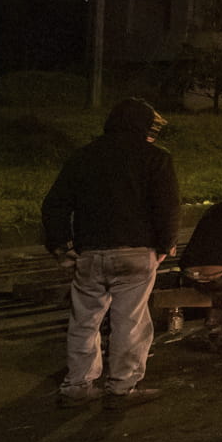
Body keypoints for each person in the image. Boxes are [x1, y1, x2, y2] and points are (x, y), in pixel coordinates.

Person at [41, 97, 178, 409]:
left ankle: (77, 386)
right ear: (144, 126)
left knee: (84, 321)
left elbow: (55, 204)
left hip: (90, 253)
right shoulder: (155, 158)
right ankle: (121, 388)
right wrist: (164, 245)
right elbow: (168, 207)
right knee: (130, 322)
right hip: (136, 252)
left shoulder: (83, 157)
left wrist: (61, 246)